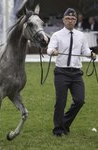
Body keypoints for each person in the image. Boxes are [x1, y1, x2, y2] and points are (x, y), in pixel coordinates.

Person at [47, 8, 97, 137]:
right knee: (60, 102)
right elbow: (49, 49)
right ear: (63, 20)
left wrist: (91, 54)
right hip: (61, 72)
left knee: (80, 100)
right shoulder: (57, 35)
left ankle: (64, 123)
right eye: (68, 18)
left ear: (75, 21)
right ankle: (58, 129)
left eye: (73, 19)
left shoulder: (81, 35)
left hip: (76, 73)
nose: (70, 20)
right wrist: (52, 51)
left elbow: (85, 51)